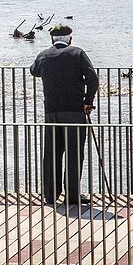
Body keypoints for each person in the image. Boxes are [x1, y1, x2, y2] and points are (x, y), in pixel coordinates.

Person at [30, 23, 98, 210]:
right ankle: (72, 194)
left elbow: (34, 70)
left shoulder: (44, 54)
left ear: (52, 39)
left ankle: (51, 194)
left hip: (51, 110)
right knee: (74, 152)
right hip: (75, 110)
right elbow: (93, 79)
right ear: (70, 38)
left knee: (52, 152)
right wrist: (88, 101)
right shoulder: (77, 53)